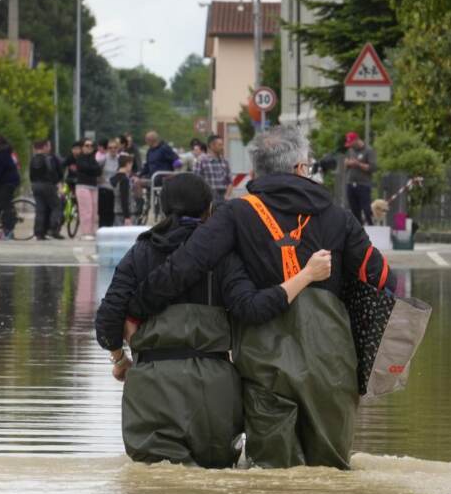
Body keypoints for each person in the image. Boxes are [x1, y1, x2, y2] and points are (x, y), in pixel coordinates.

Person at [126, 125, 390, 470]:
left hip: (265, 361)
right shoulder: (338, 216)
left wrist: (136, 307)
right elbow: (381, 278)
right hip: (331, 361)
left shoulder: (237, 214)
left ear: (256, 171)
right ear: (299, 168)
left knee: (272, 476)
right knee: (332, 474)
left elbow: (184, 266)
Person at [95, 172, 333, 469]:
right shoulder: (224, 257)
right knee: (213, 489)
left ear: (163, 206)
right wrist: (307, 275)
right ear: (209, 210)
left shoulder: (139, 254)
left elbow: (107, 321)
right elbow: (252, 309)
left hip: (150, 384)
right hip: (214, 392)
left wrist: (120, 360)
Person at [30, 139, 63, 241]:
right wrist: (56, 183)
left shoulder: (33, 159)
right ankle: (52, 228)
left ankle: (39, 233)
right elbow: (52, 172)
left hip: (35, 185)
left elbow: (30, 175)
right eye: (48, 146)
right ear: (44, 147)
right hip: (47, 185)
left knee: (40, 209)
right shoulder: (47, 159)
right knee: (56, 205)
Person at [343, 132, 378, 226]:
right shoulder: (351, 151)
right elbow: (346, 163)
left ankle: (371, 227)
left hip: (363, 184)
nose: (350, 146)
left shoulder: (369, 150)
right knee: (354, 210)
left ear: (356, 140)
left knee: (367, 210)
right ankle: (358, 231)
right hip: (350, 183)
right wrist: (347, 163)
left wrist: (358, 164)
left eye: (351, 143)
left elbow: (373, 167)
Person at [74, 138, 102, 240]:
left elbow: (98, 171)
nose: (89, 147)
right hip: (82, 186)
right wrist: (92, 169)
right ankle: (86, 233)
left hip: (93, 186)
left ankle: (92, 231)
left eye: (91, 145)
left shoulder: (93, 158)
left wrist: (92, 169)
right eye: (87, 145)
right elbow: (85, 168)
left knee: (94, 210)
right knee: (86, 210)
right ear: (82, 147)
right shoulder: (80, 158)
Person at [194, 134, 232, 204]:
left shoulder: (225, 162)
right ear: (212, 146)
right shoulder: (201, 161)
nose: (222, 147)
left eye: (222, 145)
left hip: (222, 198)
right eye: (220, 145)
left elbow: (230, 182)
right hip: (207, 198)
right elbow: (196, 182)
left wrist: (226, 196)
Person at [98, 138, 120, 228]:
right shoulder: (103, 159)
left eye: (115, 147)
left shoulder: (120, 159)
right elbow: (96, 170)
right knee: (103, 213)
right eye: (110, 147)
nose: (112, 149)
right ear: (107, 149)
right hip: (104, 189)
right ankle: (102, 230)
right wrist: (99, 178)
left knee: (113, 213)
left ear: (117, 148)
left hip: (116, 190)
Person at [112, 153, 134, 226]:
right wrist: (127, 217)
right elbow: (124, 199)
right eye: (131, 164)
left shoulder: (114, 178)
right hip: (124, 214)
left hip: (116, 211)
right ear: (127, 164)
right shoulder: (125, 180)